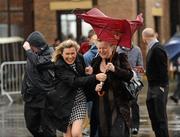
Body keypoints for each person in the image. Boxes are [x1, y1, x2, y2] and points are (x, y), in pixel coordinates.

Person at [46, 39, 107, 137]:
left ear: (76, 51)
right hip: (64, 102)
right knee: (68, 135)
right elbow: (74, 81)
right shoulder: (59, 65)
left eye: (72, 53)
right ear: (61, 53)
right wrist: (94, 77)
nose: (70, 56)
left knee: (76, 133)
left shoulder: (80, 58)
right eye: (67, 54)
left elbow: (82, 76)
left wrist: (88, 72)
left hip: (79, 100)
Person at [90, 41, 134, 137]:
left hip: (118, 104)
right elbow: (91, 82)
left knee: (117, 132)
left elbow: (129, 75)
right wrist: (95, 86)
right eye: (99, 48)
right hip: (101, 105)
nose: (101, 50)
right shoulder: (95, 61)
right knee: (104, 132)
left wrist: (115, 69)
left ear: (112, 47)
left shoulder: (120, 57)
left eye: (104, 48)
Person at [21, 31, 56, 137]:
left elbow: (38, 63)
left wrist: (28, 51)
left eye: (32, 47)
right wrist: (24, 90)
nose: (30, 49)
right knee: (31, 125)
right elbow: (28, 74)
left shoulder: (51, 53)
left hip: (46, 97)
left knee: (48, 128)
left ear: (38, 46)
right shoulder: (32, 54)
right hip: (31, 97)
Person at [142, 28, 169, 137]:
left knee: (160, 118)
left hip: (159, 87)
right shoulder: (152, 48)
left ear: (144, 38)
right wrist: (144, 71)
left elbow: (162, 70)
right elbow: (156, 68)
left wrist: (162, 87)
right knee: (154, 117)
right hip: (153, 87)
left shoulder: (157, 49)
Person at [117, 44, 144, 135]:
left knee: (134, 103)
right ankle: (126, 126)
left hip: (133, 82)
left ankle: (135, 126)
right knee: (124, 105)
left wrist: (138, 80)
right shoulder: (117, 50)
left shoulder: (137, 50)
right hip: (122, 82)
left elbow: (140, 66)